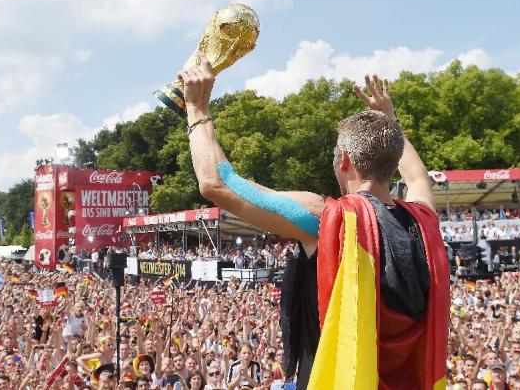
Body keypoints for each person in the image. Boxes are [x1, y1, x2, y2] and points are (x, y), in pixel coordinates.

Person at [179, 56, 448, 389]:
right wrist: (389, 121)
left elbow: (217, 184)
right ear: (393, 162)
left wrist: (197, 108)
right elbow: (419, 177)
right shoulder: (424, 220)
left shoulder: (329, 220)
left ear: (345, 161)